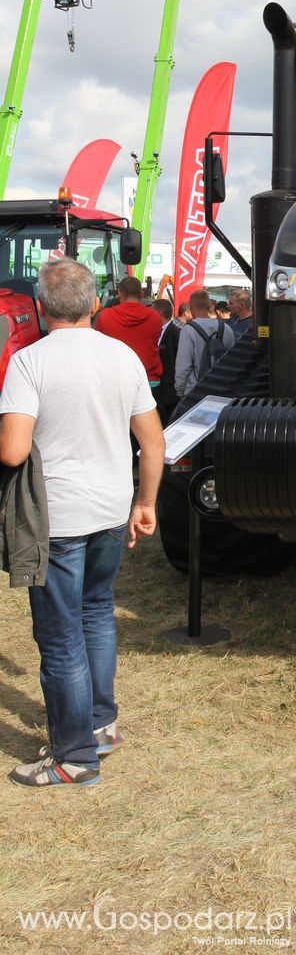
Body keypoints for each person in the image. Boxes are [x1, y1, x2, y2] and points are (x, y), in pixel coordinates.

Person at [0, 259, 164, 787]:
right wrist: (147, 502)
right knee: (96, 613)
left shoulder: (29, 363)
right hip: (112, 506)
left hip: (58, 516)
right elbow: (153, 440)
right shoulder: (123, 357)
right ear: (96, 304)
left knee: (61, 635)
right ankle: (100, 724)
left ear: (42, 308)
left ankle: (74, 757)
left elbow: (12, 450)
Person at [94, 275, 163, 388]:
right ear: (141, 293)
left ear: (119, 293)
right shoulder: (155, 316)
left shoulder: (105, 316)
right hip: (148, 380)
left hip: (115, 380)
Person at [174, 288, 235, 399]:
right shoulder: (226, 328)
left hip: (194, 391)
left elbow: (183, 366)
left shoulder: (188, 330)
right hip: (221, 390)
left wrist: (180, 390)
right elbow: (232, 362)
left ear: (191, 308)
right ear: (208, 307)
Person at [151, 299, 181, 426]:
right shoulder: (154, 330)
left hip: (170, 389)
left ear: (159, 313)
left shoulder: (176, 332)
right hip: (160, 387)